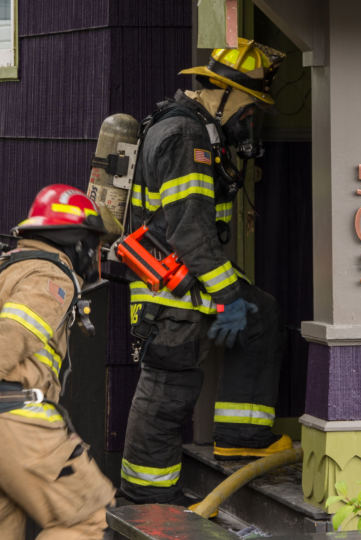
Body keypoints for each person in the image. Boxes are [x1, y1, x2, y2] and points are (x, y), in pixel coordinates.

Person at [119, 38, 293, 506]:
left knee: (261, 315)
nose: (250, 117)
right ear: (221, 92)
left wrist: (236, 299)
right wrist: (229, 296)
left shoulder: (194, 129)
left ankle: (243, 436)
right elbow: (188, 232)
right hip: (169, 293)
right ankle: (147, 499)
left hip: (184, 281)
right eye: (249, 105)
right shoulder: (185, 137)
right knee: (167, 391)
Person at [0, 184, 116, 540]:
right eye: (96, 246)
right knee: (90, 520)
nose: (97, 256)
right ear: (78, 242)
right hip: (11, 425)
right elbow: (14, 332)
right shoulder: (50, 275)